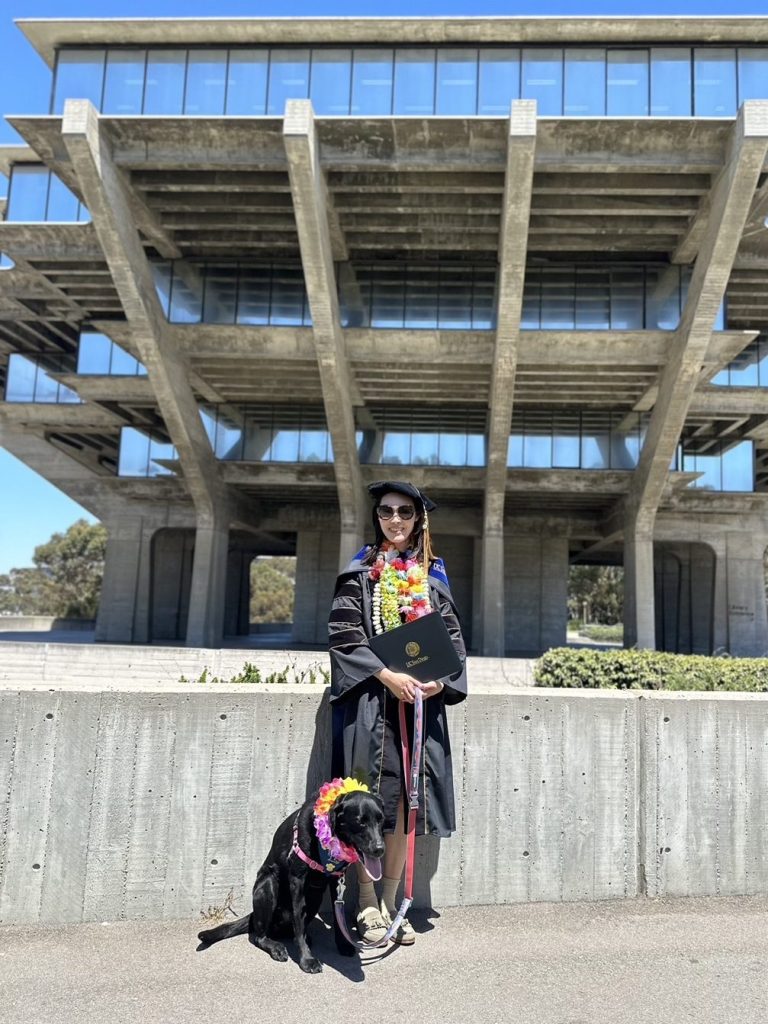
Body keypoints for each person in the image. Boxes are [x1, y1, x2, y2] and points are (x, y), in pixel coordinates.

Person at [328, 480, 468, 945]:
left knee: (408, 802)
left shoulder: (431, 577)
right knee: (365, 803)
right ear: (377, 517)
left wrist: (439, 679)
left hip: (419, 712)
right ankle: (364, 902)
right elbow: (344, 636)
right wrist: (387, 676)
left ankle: (392, 901)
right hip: (371, 707)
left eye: (405, 512)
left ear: (418, 519)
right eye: (387, 511)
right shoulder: (360, 573)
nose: (395, 520)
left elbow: (452, 644)